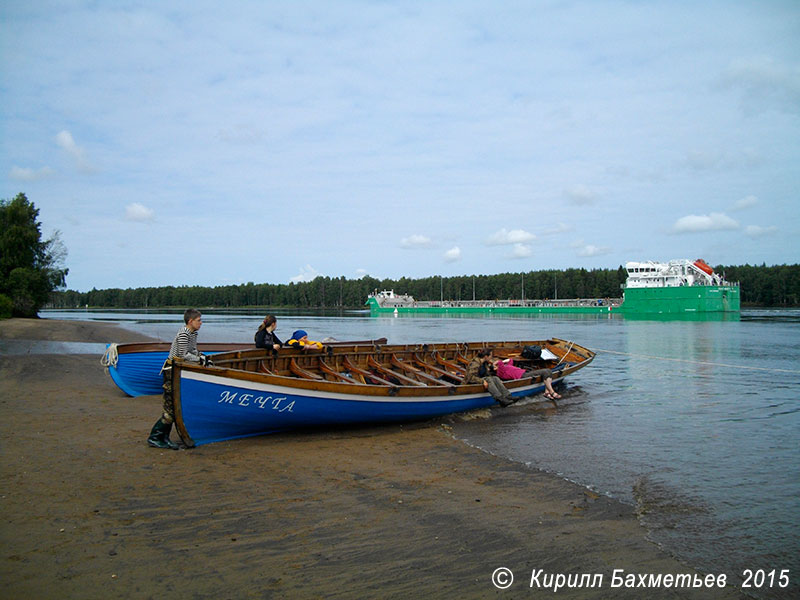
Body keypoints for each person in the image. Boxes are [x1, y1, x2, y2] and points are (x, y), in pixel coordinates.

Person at [147, 308, 206, 450]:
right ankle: (154, 437)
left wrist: (201, 356)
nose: (201, 323)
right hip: (171, 371)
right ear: (190, 321)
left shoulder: (192, 333)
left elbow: (192, 351)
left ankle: (164, 438)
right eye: (199, 320)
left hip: (179, 372)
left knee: (174, 407)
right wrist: (199, 359)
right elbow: (182, 355)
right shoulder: (184, 334)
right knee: (170, 409)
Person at [494, 357, 562, 399]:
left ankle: (547, 392)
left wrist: (501, 362)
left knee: (548, 371)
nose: (497, 366)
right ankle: (552, 392)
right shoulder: (500, 372)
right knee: (545, 371)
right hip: (522, 376)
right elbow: (500, 363)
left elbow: (510, 360)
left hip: (525, 373)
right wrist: (495, 363)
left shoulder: (505, 367)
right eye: (495, 366)